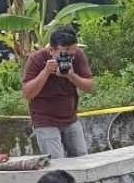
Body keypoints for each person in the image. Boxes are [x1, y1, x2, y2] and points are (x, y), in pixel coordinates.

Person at [22, 28, 93, 159]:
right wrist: (46, 72)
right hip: (45, 119)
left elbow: (90, 87)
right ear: (51, 50)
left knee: (82, 158)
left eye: (72, 54)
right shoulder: (36, 59)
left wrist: (71, 76)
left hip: (70, 118)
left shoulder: (78, 56)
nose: (68, 58)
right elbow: (27, 94)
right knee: (56, 161)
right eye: (64, 54)